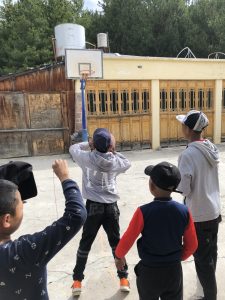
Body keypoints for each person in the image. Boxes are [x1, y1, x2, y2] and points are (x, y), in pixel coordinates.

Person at [0, 159, 87, 300]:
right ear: (7, 219)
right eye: (21, 203)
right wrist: (65, 178)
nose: (22, 204)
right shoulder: (25, 251)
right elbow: (77, 215)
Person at [114, 161, 198, 300]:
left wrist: (119, 256)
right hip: (173, 271)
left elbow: (129, 237)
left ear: (151, 186)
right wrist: (178, 258)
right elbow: (192, 245)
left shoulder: (143, 212)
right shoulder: (184, 211)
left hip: (149, 271)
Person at [69, 128, 131, 296]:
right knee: (116, 244)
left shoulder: (86, 158)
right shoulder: (115, 161)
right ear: (110, 146)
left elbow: (73, 149)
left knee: (85, 244)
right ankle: (123, 278)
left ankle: (77, 281)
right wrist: (113, 151)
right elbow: (127, 162)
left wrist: (87, 143)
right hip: (111, 207)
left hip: (93, 207)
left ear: (93, 144)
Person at [176, 110, 221, 300]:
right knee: (211, 256)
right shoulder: (211, 148)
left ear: (188, 129)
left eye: (183, 124)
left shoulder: (187, 155)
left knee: (202, 261)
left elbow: (185, 189)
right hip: (214, 210)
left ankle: (210, 296)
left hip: (199, 214)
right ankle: (205, 292)